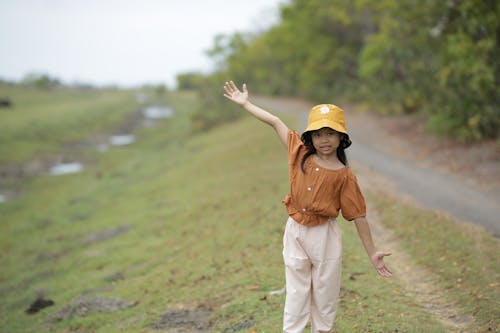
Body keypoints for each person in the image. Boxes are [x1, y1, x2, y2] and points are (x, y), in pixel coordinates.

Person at [223, 81, 393, 333]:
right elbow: (275, 122)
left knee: (325, 293)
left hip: (324, 236)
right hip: (295, 232)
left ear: (341, 137)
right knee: (297, 291)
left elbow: (358, 216)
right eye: (318, 134)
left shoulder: (345, 176)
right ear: (311, 137)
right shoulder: (299, 154)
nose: (324, 139)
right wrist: (246, 104)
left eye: (330, 133)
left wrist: (372, 253)